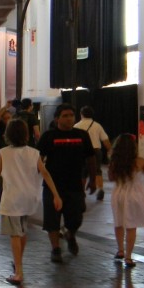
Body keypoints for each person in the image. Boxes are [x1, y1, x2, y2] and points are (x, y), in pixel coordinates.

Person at [0, 119, 62, 285]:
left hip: (12, 199)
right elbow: (45, 173)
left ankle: (19, 272)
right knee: (22, 231)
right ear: (26, 134)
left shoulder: (4, 152)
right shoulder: (34, 153)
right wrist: (56, 195)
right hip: (29, 198)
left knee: (15, 234)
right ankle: (18, 263)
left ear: (7, 135)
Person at [37, 103, 96, 262]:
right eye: (65, 116)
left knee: (76, 219)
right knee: (52, 220)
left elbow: (90, 158)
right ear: (57, 119)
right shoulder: (48, 137)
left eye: (71, 115)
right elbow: (38, 159)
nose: (69, 118)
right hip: (52, 186)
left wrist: (93, 179)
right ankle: (55, 248)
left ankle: (71, 234)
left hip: (75, 186)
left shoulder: (82, 135)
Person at [108, 133, 144, 269]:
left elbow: (111, 178)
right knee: (131, 225)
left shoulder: (114, 161)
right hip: (135, 194)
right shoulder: (139, 161)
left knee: (118, 222)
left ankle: (120, 250)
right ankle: (128, 256)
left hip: (119, 193)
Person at [74, 105, 112, 201]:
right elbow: (105, 140)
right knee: (97, 170)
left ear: (81, 114)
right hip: (96, 151)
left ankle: (81, 192)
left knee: (83, 172)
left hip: (81, 151)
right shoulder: (97, 125)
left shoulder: (77, 126)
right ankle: (100, 189)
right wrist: (111, 151)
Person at [0, 104, 13, 199]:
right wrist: (6, 106)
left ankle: (10, 198)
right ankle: (1, 198)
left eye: (9, 118)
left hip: (12, 155)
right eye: (5, 118)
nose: (8, 120)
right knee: (1, 177)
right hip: (0, 155)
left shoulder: (14, 127)